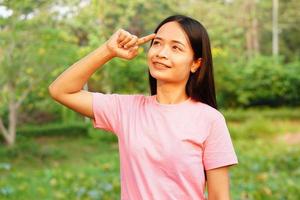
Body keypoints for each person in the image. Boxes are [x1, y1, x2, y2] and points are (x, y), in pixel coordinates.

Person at [49, 14, 238, 200]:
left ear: (196, 64)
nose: (161, 53)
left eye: (176, 48)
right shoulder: (127, 110)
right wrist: (108, 50)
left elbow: (219, 196)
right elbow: (60, 90)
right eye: (157, 43)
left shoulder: (210, 120)